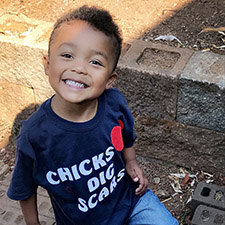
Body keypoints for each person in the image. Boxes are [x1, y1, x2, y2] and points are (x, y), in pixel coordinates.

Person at [7, 5, 178, 225]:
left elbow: (126, 135)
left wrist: (131, 160)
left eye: (95, 62)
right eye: (67, 55)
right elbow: (24, 188)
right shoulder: (34, 135)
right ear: (47, 65)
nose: (79, 68)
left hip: (131, 202)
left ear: (109, 80)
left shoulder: (114, 103)